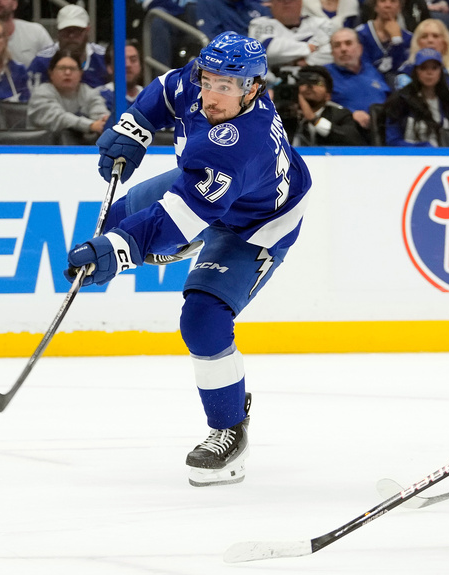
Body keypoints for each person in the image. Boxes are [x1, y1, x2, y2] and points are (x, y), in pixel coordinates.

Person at [66, 31, 311, 487]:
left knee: (202, 320)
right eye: (209, 80)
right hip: (203, 183)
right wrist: (134, 126)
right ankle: (158, 242)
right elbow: (165, 89)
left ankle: (228, 428)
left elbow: (179, 217)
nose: (212, 94)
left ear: (253, 88)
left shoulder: (240, 143)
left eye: (226, 87)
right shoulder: (199, 84)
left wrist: (125, 251)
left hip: (254, 224)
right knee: (116, 221)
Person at [384, 47, 449, 145]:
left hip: (446, 157)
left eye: (434, 68)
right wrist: (421, 149)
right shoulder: (400, 101)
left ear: (441, 71)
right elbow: (393, 141)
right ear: (416, 71)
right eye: (423, 68)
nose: (429, 73)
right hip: (410, 157)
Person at [27, 49, 109, 138]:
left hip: (81, 148)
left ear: (80, 74)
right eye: (62, 68)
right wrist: (90, 125)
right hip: (42, 147)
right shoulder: (41, 93)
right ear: (51, 73)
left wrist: (104, 120)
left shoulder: (89, 92)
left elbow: (99, 111)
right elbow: (58, 118)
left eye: (73, 69)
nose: (67, 72)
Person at [395, 18, 449, 102]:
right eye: (424, 36)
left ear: (444, 42)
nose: (430, 40)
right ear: (417, 42)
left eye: (435, 36)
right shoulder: (407, 70)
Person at [324, 27, 391, 133]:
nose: (343, 49)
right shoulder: (325, 74)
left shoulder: (374, 71)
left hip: (383, 130)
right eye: (337, 45)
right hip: (346, 133)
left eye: (348, 43)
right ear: (332, 52)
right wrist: (349, 114)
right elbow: (320, 106)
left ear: (360, 49)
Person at [27, 4, 107, 89]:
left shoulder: (104, 58)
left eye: (77, 31)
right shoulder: (42, 61)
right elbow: (30, 97)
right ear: (58, 32)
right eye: (66, 31)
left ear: (87, 31)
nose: (71, 36)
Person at [291, 64, 367, 145]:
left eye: (317, 83)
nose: (309, 86)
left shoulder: (341, 115)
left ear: (328, 96)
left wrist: (314, 119)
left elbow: (353, 140)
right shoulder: (282, 114)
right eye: (303, 82)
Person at [356, 0, 413, 82]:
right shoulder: (361, 34)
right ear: (375, 6)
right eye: (383, 1)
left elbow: (402, 69)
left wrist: (397, 40)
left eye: (393, 1)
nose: (388, 5)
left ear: (400, 7)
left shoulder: (409, 38)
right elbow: (362, 67)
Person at [97, 41, 145, 116]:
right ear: (109, 68)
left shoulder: (150, 95)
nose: (128, 65)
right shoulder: (99, 95)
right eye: (121, 60)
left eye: (133, 60)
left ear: (140, 65)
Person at [198, 0, 270, 38]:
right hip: (231, 57)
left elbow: (271, 20)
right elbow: (213, 37)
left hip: (261, 50)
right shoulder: (208, 3)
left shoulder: (250, 4)